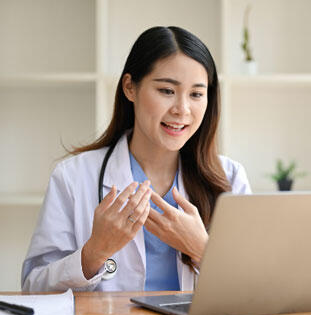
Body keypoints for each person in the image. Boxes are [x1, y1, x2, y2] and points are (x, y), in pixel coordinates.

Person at [21, 26, 251, 292]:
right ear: (130, 87)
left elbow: (254, 292)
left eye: (197, 94)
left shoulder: (230, 178)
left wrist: (202, 249)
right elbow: (33, 288)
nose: (182, 109)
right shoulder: (73, 177)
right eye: (166, 90)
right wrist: (95, 252)